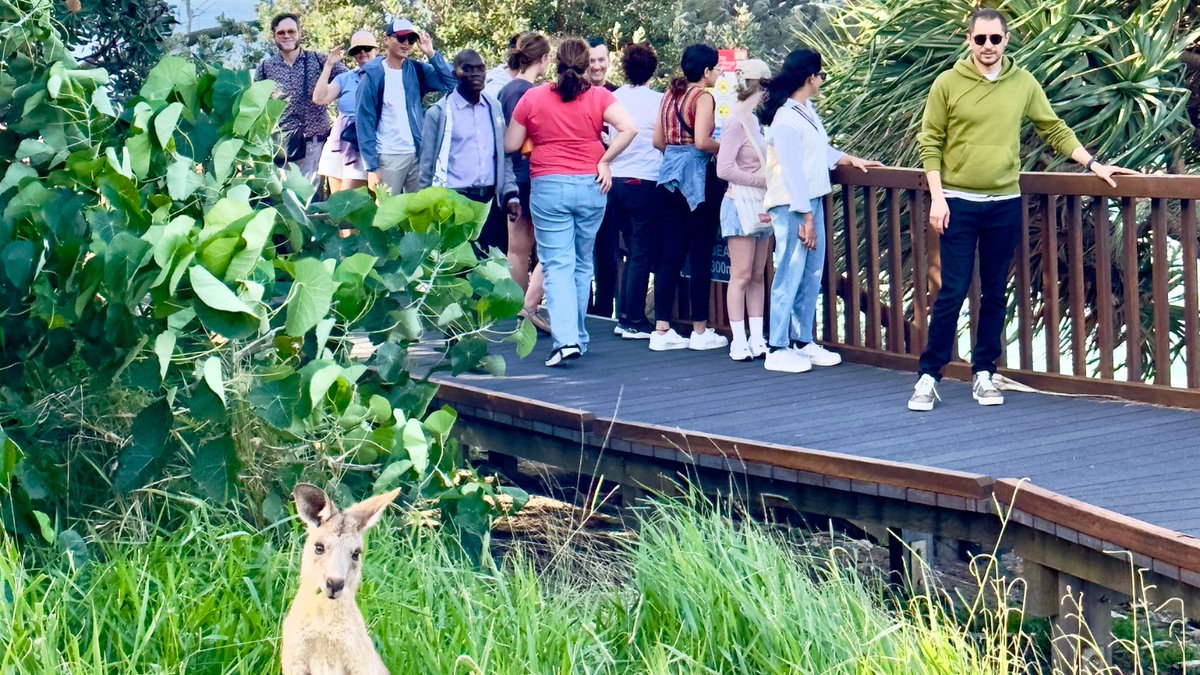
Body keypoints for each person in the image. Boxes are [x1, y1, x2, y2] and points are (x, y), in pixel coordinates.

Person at [908, 8, 1138, 410]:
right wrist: (938, 196)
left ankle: (984, 373)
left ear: (1006, 40)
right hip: (958, 203)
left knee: (995, 293)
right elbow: (931, 141)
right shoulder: (947, 83)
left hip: (1004, 203)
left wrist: (1093, 164)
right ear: (969, 41)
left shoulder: (1023, 82)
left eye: (995, 39)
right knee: (952, 292)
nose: (987, 47)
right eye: (980, 40)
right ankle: (929, 376)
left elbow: (1053, 128)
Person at [505, 39, 638, 367]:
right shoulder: (599, 96)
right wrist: (605, 160)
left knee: (557, 264)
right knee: (581, 263)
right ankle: (577, 336)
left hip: (549, 185)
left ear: (555, 63)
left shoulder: (533, 97)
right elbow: (629, 128)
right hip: (592, 185)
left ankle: (565, 341)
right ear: (584, 64)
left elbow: (510, 143)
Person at [761, 49, 882, 374]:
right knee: (789, 269)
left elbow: (817, 151)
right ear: (810, 77)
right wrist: (807, 217)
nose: (822, 80)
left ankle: (802, 340)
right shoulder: (786, 119)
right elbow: (791, 171)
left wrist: (849, 159)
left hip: (811, 200)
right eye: (821, 74)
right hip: (793, 205)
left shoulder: (806, 111)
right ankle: (777, 346)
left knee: (811, 271)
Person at [648, 44, 728, 353]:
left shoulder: (670, 94)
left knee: (670, 254)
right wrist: (726, 146)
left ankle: (662, 327)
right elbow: (702, 141)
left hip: (667, 181)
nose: (718, 73)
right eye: (716, 69)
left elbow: (658, 141)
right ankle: (699, 328)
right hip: (696, 181)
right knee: (700, 253)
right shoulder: (703, 96)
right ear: (706, 72)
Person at [418, 50, 520, 250]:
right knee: (457, 270)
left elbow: (504, 157)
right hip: (455, 201)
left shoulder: (494, 107)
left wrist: (510, 194)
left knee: (489, 269)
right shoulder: (439, 113)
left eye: (480, 69)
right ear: (455, 73)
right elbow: (426, 167)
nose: (476, 74)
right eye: (468, 69)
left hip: (491, 203)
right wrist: (426, 208)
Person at [356, 18, 457, 196]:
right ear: (386, 39)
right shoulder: (372, 75)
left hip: (417, 154)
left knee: (419, 216)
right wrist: (372, 167)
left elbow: (454, 84)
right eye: (401, 38)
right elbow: (364, 122)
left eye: (411, 40)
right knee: (387, 218)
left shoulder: (418, 70)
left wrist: (431, 54)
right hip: (387, 157)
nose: (406, 44)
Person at [715, 58, 772, 362]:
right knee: (741, 273)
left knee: (757, 273)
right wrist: (759, 180)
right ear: (760, 86)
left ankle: (757, 336)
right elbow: (724, 168)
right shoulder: (736, 121)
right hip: (739, 201)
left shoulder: (754, 120)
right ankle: (738, 339)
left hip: (759, 203)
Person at [255, 13, 347, 197]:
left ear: (299, 33)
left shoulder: (319, 60)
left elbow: (351, 81)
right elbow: (256, 105)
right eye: (281, 32)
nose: (286, 35)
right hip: (282, 146)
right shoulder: (266, 68)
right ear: (274, 36)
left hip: (313, 142)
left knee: (310, 201)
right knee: (286, 202)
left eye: (291, 31)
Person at [609, 42, 664, 340]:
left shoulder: (612, 98)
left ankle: (623, 315)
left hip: (615, 180)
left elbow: (608, 137)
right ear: (652, 70)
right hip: (645, 180)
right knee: (642, 252)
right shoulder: (659, 101)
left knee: (629, 250)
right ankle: (633, 319)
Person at [499, 33, 553, 333]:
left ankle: (514, 308)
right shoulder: (532, 93)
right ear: (543, 59)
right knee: (548, 247)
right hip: (532, 173)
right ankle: (529, 308)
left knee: (516, 248)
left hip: (511, 178)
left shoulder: (505, 90)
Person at [584, 36, 623, 319]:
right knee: (581, 250)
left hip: (613, 185)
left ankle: (604, 310)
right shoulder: (574, 93)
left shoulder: (618, 95)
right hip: (581, 180)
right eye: (591, 61)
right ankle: (582, 308)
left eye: (601, 60)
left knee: (608, 253)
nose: (597, 67)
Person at [313, 30, 377, 194]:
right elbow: (319, 98)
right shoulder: (346, 77)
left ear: (375, 49)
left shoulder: (385, 75)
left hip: (363, 143)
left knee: (350, 202)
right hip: (339, 142)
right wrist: (328, 65)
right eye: (357, 50)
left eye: (366, 48)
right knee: (337, 203)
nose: (362, 53)